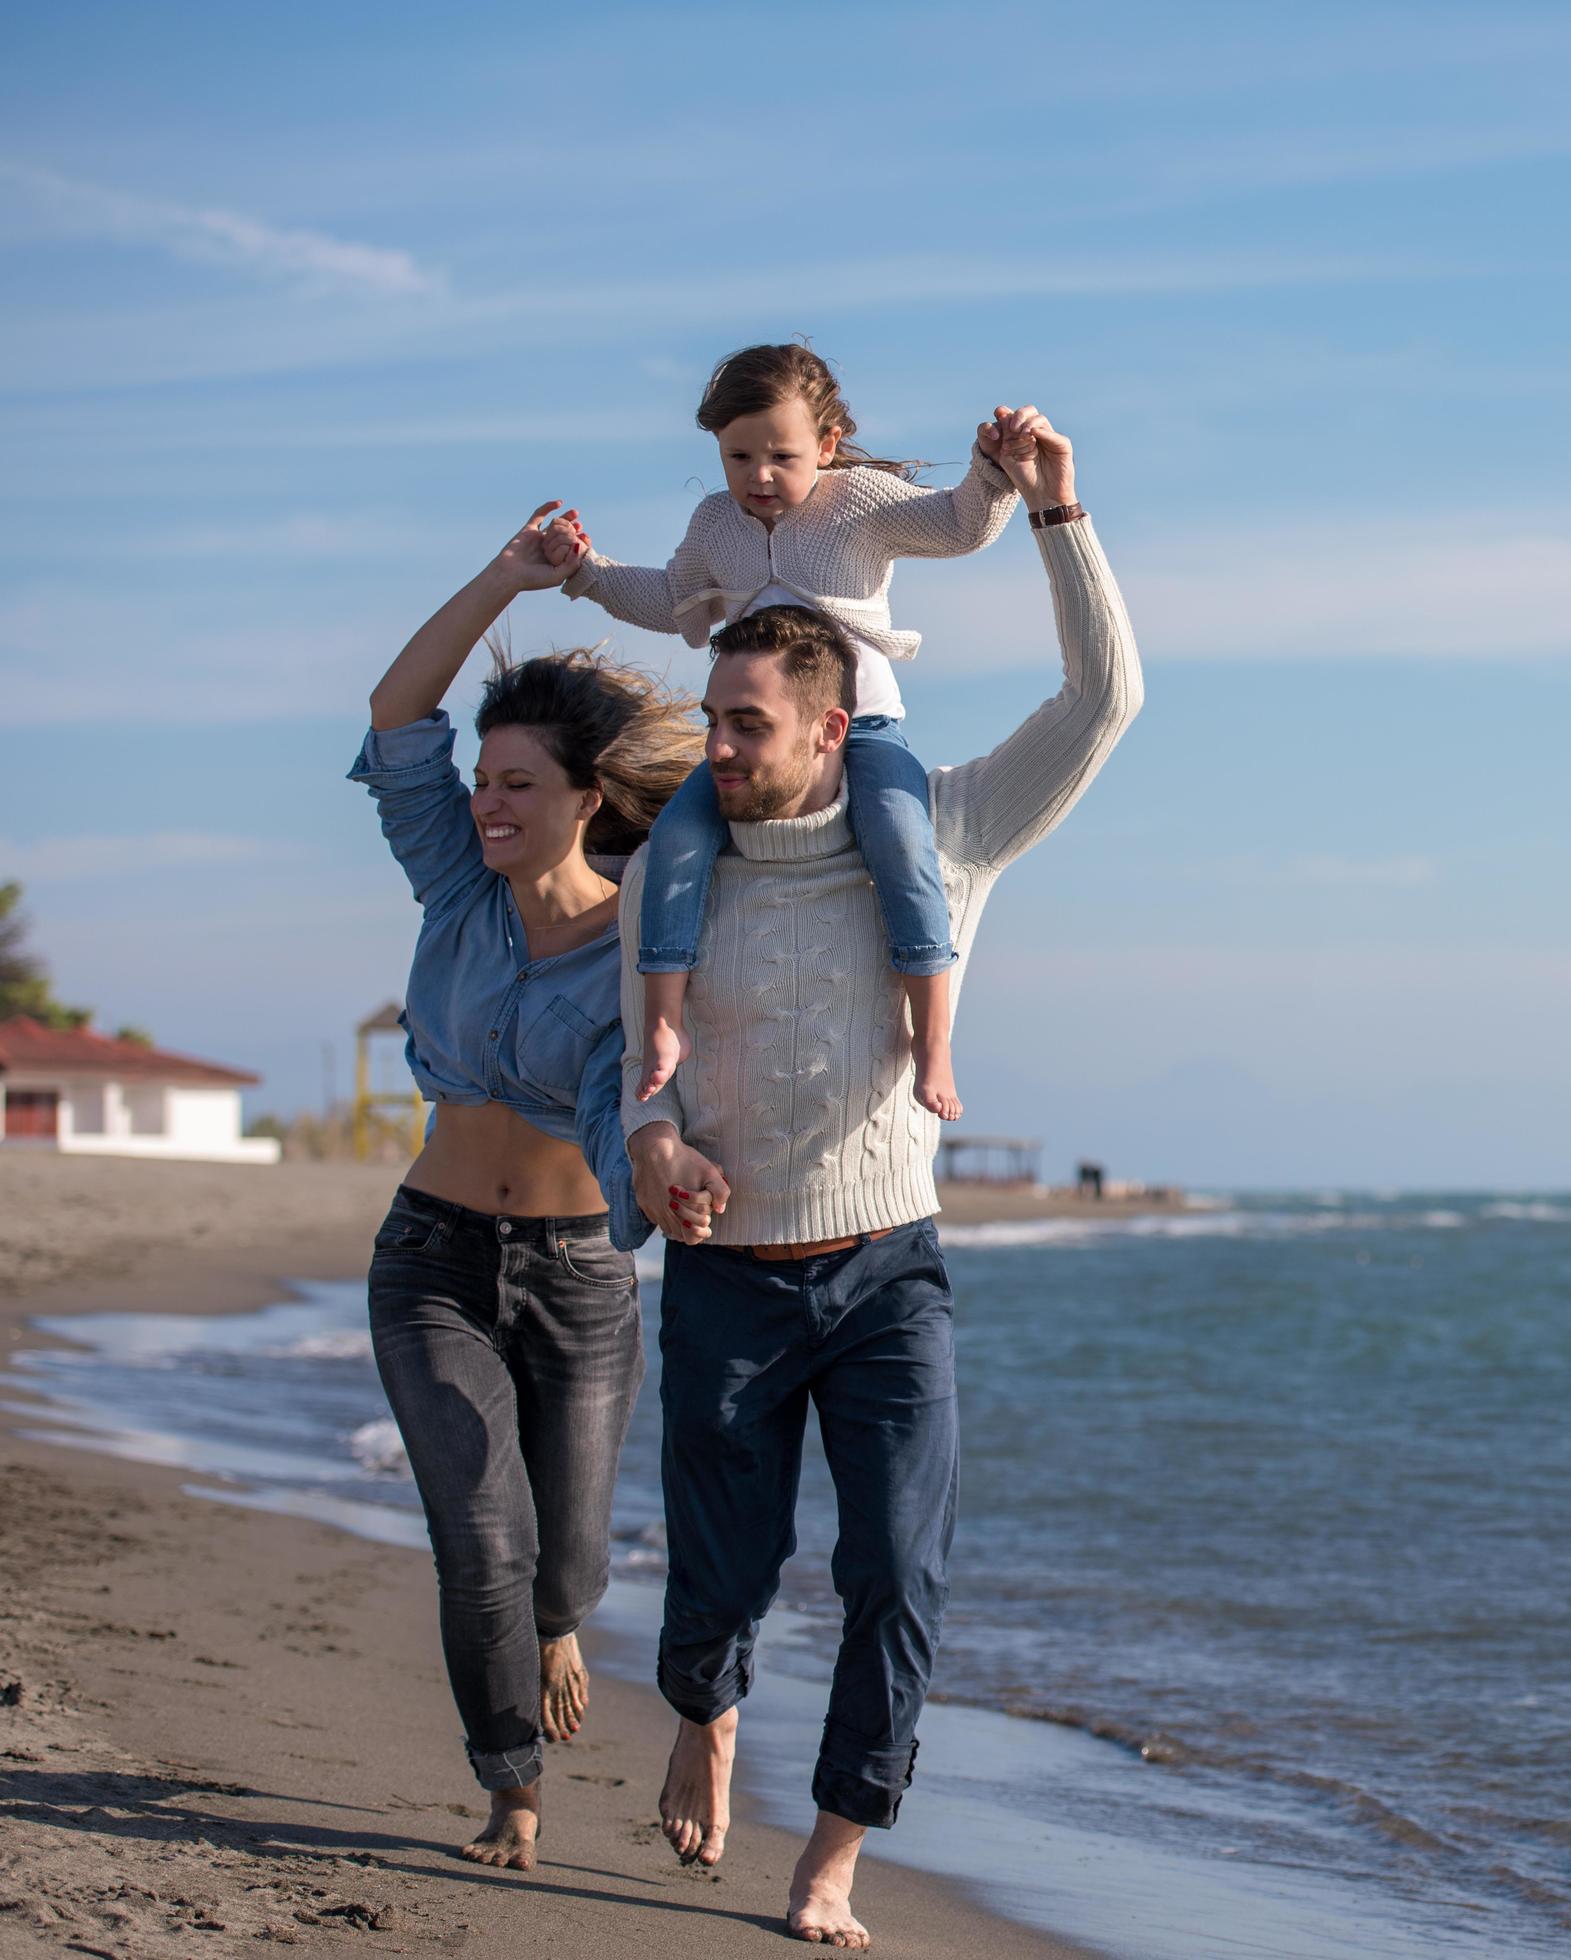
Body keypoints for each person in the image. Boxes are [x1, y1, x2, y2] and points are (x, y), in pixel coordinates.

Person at [621, 405, 1136, 1949]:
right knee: (718, 1582)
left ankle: (834, 1854)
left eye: (745, 726)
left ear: (832, 727)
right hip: (724, 1275)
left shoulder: (948, 829)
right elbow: (622, 1075)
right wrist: (648, 1149)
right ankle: (706, 1708)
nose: (713, 748)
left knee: (896, 1574)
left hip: (884, 1273)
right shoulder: (675, 861)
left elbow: (1102, 703)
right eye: (709, 718)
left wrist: (1058, 518)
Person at [349, 504, 702, 1871]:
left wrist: (668, 1178)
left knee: (570, 1571)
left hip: (577, 1279)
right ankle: (512, 1789)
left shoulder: (646, 944)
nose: (488, 805)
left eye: (519, 787)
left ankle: (558, 1623)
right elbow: (396, 716)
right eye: (484, 781)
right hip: (431, 1255)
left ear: (589, 802)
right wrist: (509, 575)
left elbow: (637, 1115)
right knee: (477, 1530)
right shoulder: (454, 889)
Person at [550, 343, 1023, 1127]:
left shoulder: (858, 504)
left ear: (828, 446)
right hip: (755, 743)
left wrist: (992, 468)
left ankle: (933, 1038)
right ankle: (664, 1023)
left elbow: (961, 525)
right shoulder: (715, 525)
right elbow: (672, 599)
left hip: (861, 728)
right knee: (672, 845)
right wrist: (588, 571)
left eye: (781, 456)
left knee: (903, 844)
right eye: (738, 456)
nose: (757, 476)